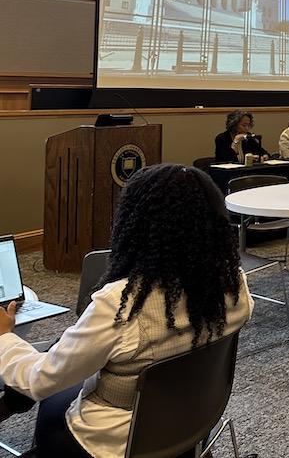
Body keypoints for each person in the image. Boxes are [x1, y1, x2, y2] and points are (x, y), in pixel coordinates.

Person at [0, 163, 252, 458]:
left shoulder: (122, 304)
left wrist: (5, 336)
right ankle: (10, 405)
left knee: (48, 385)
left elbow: (39, 381)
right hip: (189, 424)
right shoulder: (234, 285)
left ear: (135, 225)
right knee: (63, 353)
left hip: (112, 444)